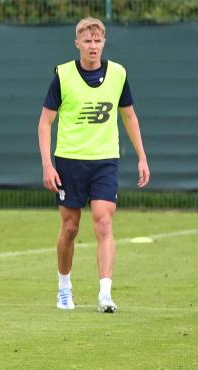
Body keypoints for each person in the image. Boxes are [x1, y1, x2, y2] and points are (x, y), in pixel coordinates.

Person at [37, 17, 149, 313]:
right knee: (71, 227)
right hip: (69, 160)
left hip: (104, 160)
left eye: (97, 41)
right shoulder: (62, 76)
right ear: (77, 44)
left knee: (103, 220)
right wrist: (48, 164)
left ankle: (105, 294)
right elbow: (45, 122)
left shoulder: (118, 74)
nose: (93, 46)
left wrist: (142, 157)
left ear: (104, 43)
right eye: (87, 41)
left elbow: (129, 117)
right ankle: (64, 288)